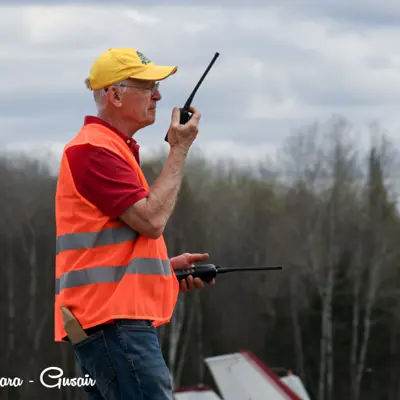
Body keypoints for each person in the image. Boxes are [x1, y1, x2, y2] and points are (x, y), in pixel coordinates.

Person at [54, 47, 214, 399]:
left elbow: (113, 242)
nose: (158, 95)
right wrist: (179, 150)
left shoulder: (111, 148)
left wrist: (162, 270)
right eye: (147, 86)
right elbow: (152, 220)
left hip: (108, 322)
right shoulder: (94, 150)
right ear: (114, 95)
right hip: (114, 323)